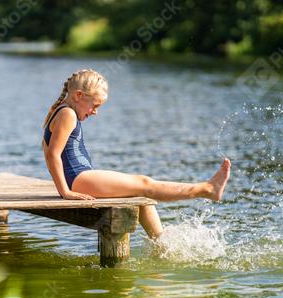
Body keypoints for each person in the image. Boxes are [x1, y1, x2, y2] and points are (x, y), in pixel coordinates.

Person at [42, 69, 231, 239]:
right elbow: (52, 155)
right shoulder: (68, 114)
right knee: (144, 183)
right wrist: (66, 192)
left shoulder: (59, 111)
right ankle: (207, 189)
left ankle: (161, 244)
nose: (95, 112)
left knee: (141, 197)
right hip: (79, 179)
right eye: (95, 105)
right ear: (79, 96)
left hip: (78, 179)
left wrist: (65, 187)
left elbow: (47, 150)